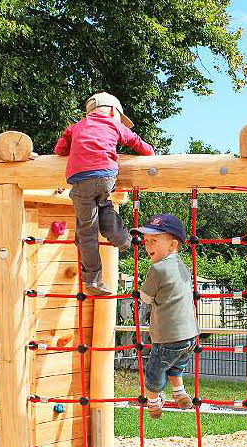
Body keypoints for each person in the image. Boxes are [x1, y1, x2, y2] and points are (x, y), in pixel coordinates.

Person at [55, 92, 155, 295]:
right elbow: (136, 142)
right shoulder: (115, 124)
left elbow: (59, 150)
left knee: (87, 232)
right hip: (106, 176)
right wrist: (150, 152)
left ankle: (93, 280)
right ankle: (122, 239)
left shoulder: (76, 127)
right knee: (103, 205)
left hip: (81, 179)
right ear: (112, 111)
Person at [130, 214, 199, 419]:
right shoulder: (183, 266)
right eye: (146, 241)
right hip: (190, 336)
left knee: (154, 371)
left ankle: (153, 402)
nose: (147, 245)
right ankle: (179, 392)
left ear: (172, 245)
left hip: (167, 337)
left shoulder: (157, 269)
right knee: (177, 364)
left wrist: (141, 292)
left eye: (154, 240)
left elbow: (146, 297)